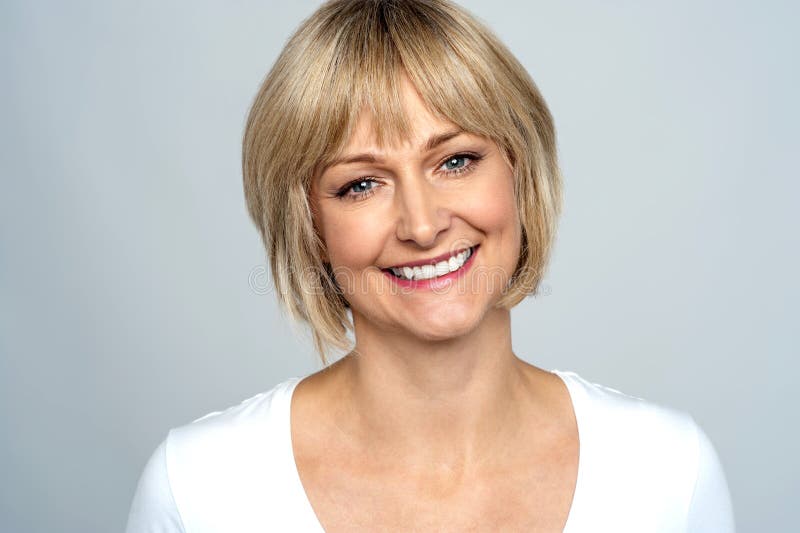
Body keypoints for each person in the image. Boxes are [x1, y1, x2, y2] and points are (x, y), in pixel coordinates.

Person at [125, 1, 735, 531]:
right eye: (362, 184)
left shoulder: (668, 473)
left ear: (520, 173)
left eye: (456, 161)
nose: (422, 225)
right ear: (308, 227)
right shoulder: (200, 489)